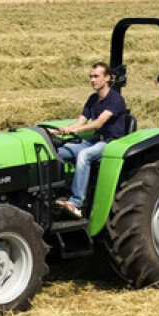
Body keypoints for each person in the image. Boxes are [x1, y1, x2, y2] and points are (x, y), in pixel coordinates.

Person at [52, 61, 127, 219]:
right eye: (91, 77)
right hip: (93, 140)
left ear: (107, 78)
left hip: (110, 143)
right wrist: (57, 131)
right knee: (57, 152)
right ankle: (55, 192)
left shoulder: (116, 99)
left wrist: (77, 130)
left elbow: (98, 123)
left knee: (84, 155)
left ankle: (77, 203)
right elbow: (80, 122)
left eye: (96, 76)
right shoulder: (93, 99)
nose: (92, 80)